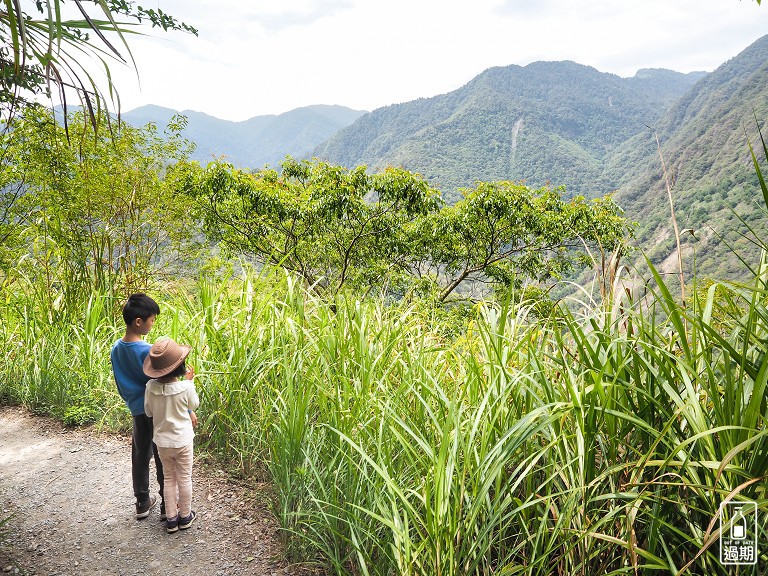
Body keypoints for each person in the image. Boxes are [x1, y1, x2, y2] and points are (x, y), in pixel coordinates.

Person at [110, 293, 165, 519]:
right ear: (139, 322)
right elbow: (164, 382)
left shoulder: (116, 348)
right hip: (157, 409)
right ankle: (166, 505)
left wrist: (130, 400)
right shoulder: (147, 351)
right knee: (161, 454)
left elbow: (118, 381)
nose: (152, 325)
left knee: (140, 454)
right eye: (151, 320)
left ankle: (142, 501)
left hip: (136, 409)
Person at [143, 337, 200, 534]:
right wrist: (189, 383)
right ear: (181, 367)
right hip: (183, 441)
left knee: (168, 478)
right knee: (184, 478)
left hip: (162, 442)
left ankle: (171, 518)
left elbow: (148, 412)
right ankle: (185, 516)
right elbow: (193, 405)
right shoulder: (185, 387)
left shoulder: (150, 387)